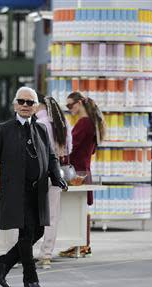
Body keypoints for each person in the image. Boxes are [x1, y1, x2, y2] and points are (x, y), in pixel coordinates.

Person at [0, 87, 67, 287]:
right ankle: (30, 280)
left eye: (30, 102)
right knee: (26, 233)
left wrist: (57, 176)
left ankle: (3, 264)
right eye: (21, 102)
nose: (25, 106)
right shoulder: (4, 130)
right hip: (17, 190)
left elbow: (51, 156)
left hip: (38, 190)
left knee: (38, 231)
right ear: (15, 104)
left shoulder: (41, 129)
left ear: (35, 107)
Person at [59, 92, 106, 258]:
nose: (69, 108)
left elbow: (70, 148)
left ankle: (82, 244)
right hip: (84, 170)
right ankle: (82, 244)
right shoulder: (91, 123)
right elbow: (91, 149)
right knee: (81, 208)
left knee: (77, 208)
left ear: (79, 103)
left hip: (76, 172)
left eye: (71, 105)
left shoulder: (83, 123)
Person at [35, 94, 72, 269]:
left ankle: (22, 252)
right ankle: (46, 255)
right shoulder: (63, 123)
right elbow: (69, 148)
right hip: (57, 171)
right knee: (53, 215)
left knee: (31, 212)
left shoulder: (38, 123)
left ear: (39, 105)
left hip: (39, 171)